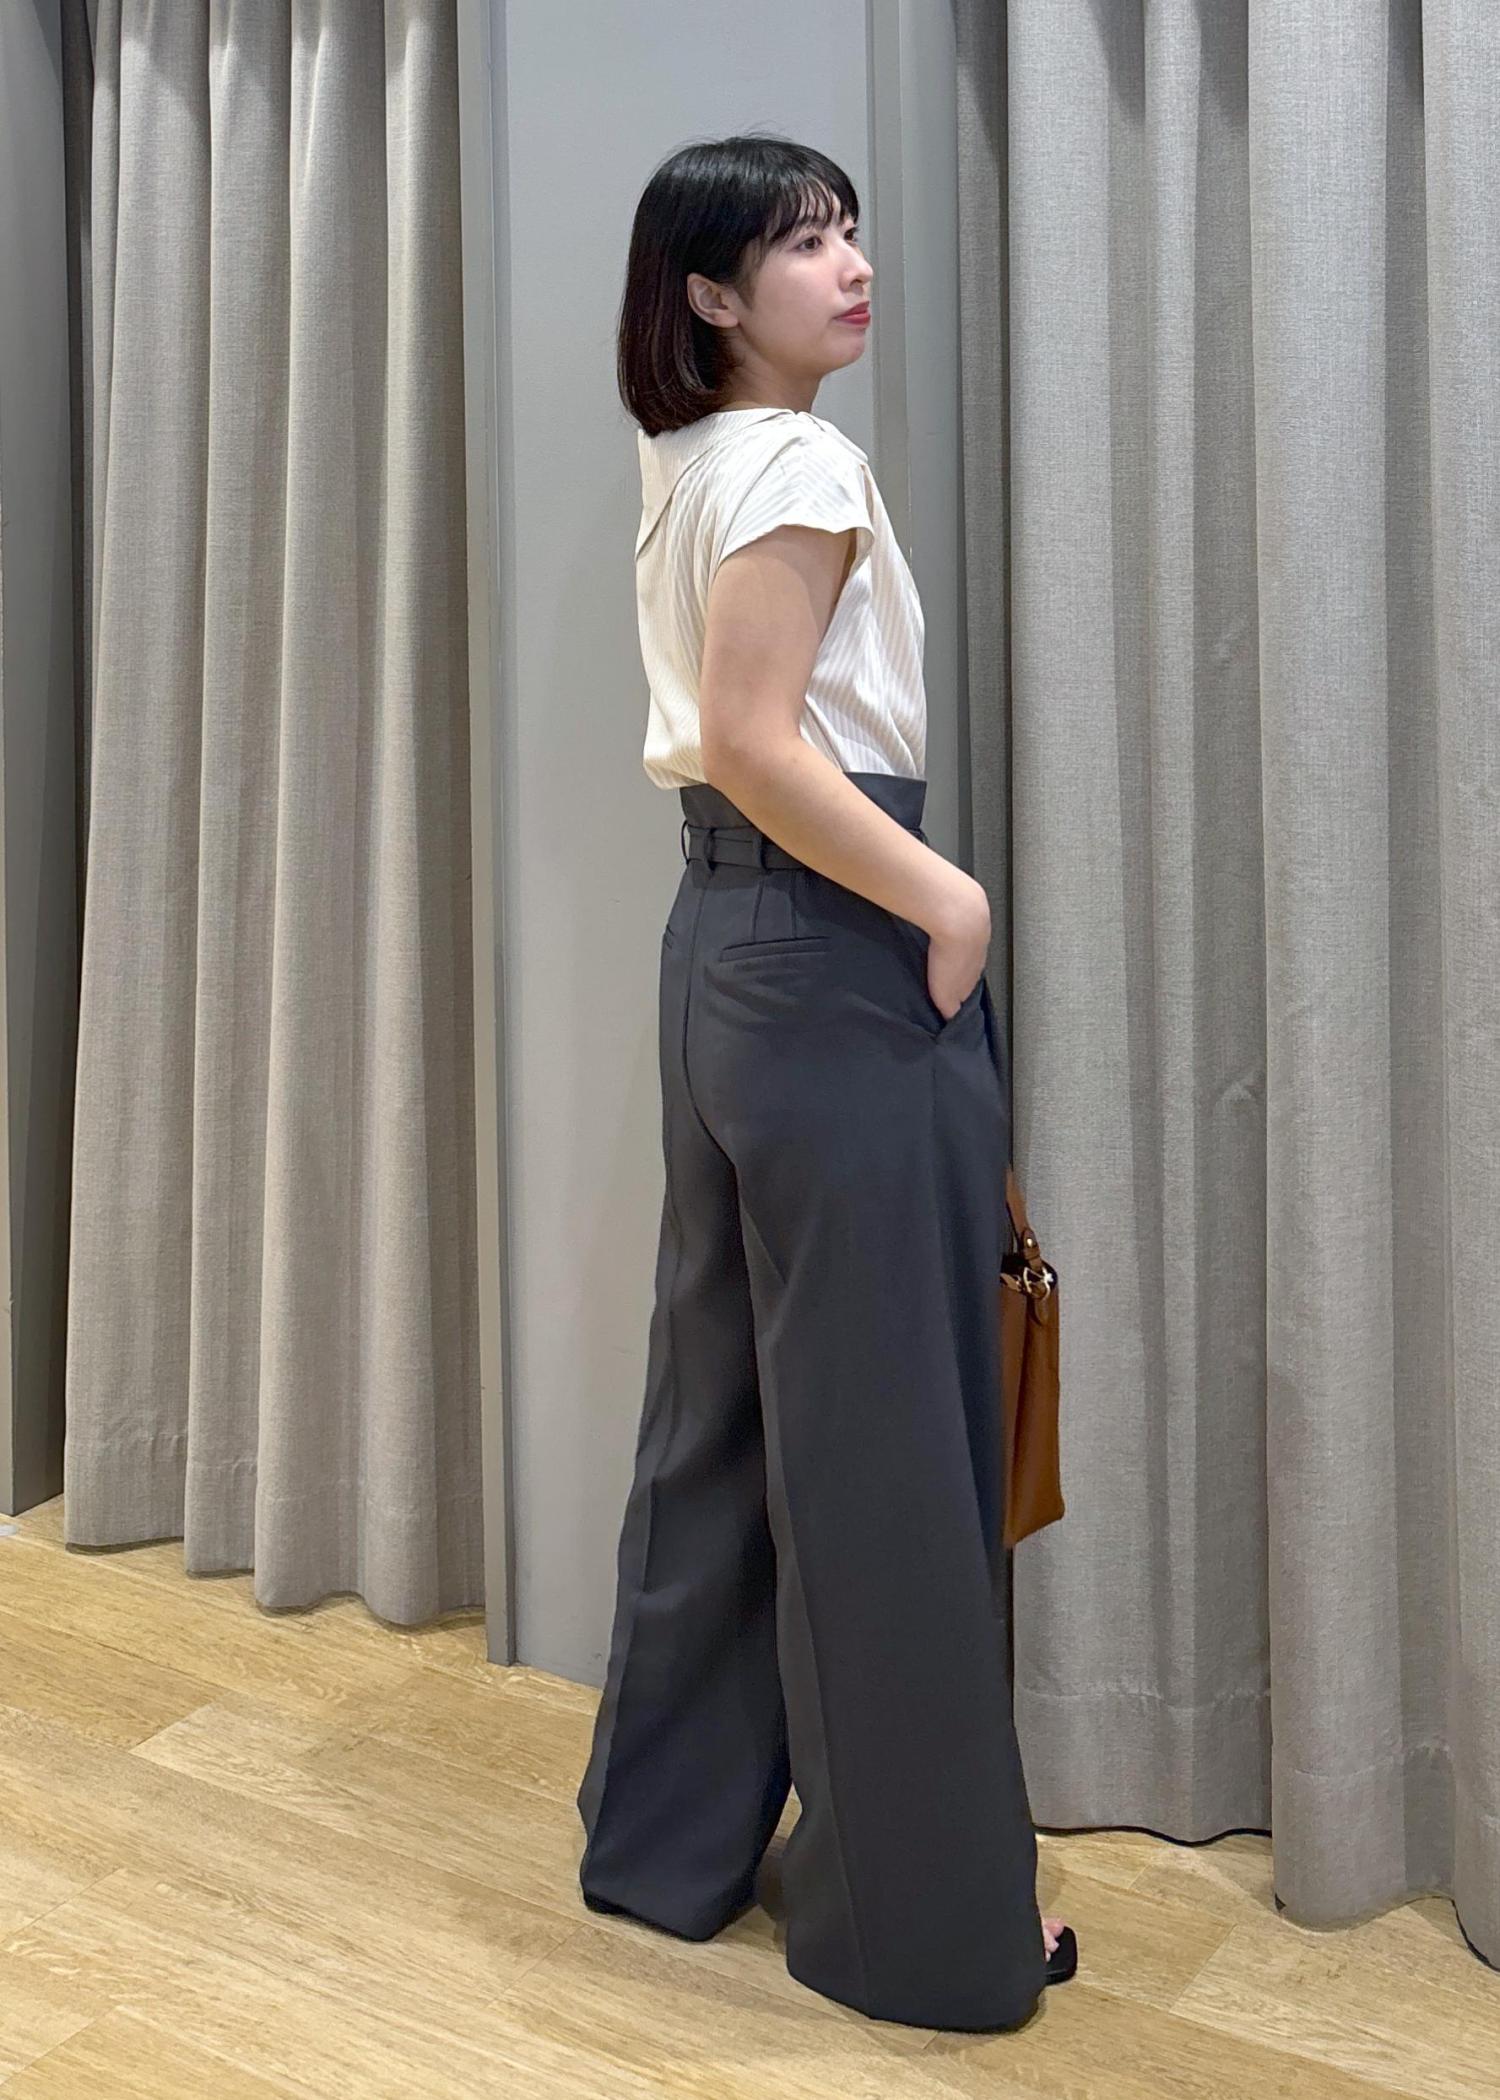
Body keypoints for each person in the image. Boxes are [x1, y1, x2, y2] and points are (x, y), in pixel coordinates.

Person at [575, 131, 1077, 2032]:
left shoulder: (688, 460)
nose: (849, 262)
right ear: (712, 294)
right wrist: (948, 900)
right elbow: (755, 735)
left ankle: (667, 1844)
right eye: (801, 243)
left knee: (717, 1407)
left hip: (720, 952)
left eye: (851, 228)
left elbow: (718, 744)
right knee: (887, 1445)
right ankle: (923, 1932)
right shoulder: (794, 462)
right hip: (831, 947)